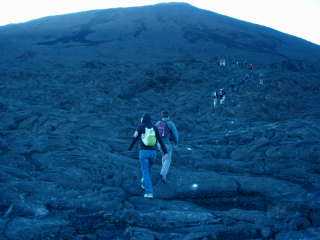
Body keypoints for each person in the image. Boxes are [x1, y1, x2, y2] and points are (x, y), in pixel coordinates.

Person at [128, 113, 167, 199]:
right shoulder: (155, 128)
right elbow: (160, 141)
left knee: (145, 172)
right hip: (153, 153)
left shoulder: (140, 127)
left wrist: (130, 148)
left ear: (143, 119)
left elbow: (134, 137)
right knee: (147, 170)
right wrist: (165, 152)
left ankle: (149, 192)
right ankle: (143, 183)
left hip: (144, 153)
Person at [156, 111, 179, 183]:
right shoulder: (170, 123)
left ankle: (164, 175)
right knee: (168, 159)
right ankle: (162, 173)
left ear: (162, 116)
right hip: (167, 144)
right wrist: (176, 142)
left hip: (159, 144)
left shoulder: (158, 123)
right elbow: (175, 134)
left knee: (164, 157)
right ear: (168, 116)